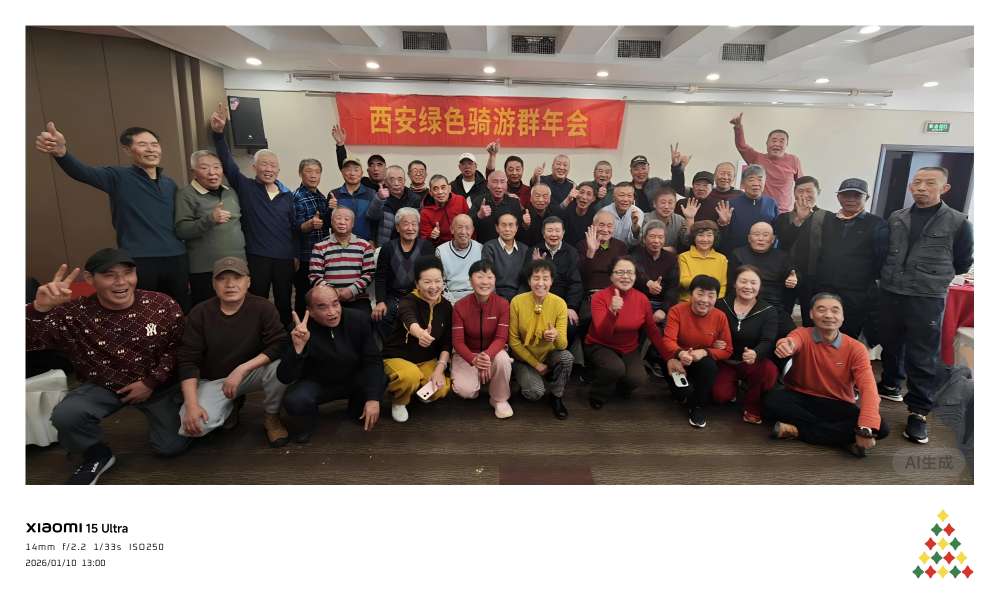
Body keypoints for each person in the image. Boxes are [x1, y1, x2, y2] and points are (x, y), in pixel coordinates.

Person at [27, 249, 188, 484]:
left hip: (158, 386)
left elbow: (179, 348)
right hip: (103, 386)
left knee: (170, 447)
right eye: (109, 275)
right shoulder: (73, 313)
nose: (121, 281)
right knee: (67, 415)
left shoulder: (161, 304)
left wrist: (150, 382)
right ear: (90, 279)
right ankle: (96, 454)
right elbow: (28, 342)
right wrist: (38, 309)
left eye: (127, 273)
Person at [36, 122, 191, 311]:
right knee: (142, 311)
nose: (151, 149)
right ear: (127, 150)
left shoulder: (170, 184)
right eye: (142, 144)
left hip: (176, 257)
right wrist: (62, 153)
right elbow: (82, 172)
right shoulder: (117, 177)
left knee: (179, 308)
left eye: (154, 144)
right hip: (140, 258)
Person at [878, 166, 974, 444]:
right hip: (892, 290)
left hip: (926, 296)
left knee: (922, 354)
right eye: (917, 182)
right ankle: (891, 384)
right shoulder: (897, 217)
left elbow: (962, 262)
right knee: (890, 342)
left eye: (930, 183)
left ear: (945, 188)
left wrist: (930, 276)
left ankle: (918, 412)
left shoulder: (958, 222)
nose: (921, 187)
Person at [177, 257, 290, 447]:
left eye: (237, 278)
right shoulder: (200, 312)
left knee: (283, 366)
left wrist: (242, 369)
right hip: (214, 379)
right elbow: (187, 360)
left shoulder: (263, 307)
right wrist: (191, 404)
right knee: (196, 426)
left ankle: (272, 416)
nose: (230, 284)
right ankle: (231, 405)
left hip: (249, 373)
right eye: (222, 279)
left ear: (248, 282)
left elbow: (279, 344)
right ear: (214, 284)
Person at [766, 293, 887, 457]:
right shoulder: (802, 333)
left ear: (843, 316)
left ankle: (797, 431)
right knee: (772, 400)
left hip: (837, 402)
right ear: (811, 314)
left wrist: (866, 428)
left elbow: (868, 388)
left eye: (835, 310)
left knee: (881, 428)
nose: (828, 315)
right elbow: (791, 341)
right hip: (801, 397)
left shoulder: (856, 349)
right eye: (821, 310)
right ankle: (841, 437)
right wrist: (785, 345)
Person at [210, 102, 297, 327]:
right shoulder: (246, 187)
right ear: (254, 168)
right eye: (264, 165)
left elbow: (293, 228)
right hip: (257, 255)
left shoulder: (287, 196)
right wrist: (218, 134)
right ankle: (257, 335)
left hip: (284, 257)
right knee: (257, 300)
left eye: (273, 165)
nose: (269, 169)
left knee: (284, 301)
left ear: (278, 170)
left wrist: (295, 255)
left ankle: (284, 337)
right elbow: (228, 164)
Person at [278, 285, 384, 441]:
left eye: (335, 304)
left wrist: (373, 399)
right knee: (295, 400)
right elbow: (284, 377)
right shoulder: (299, 330)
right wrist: (298, 349)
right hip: (318, 383)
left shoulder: (359, 319)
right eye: (322, 307)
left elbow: (373, 361)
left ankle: (356, 409)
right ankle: (309, 421)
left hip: (353, 378)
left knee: (380, 378)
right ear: (310, 311)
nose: (332, 312)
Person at [793, 178, 888, 341]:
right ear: (838, 197)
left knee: (846, 339)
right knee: (816, 336)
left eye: (856, 195)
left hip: (855, 294)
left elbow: (881, 260)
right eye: (846, 195)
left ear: (866, 197)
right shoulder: (825, 219)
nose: (850, 199)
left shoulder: (877, 224)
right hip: (823, 289)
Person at [585, 256, 673, 409]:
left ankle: (617, 388)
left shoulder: (642, 299)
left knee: (638, 378)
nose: (625, 276)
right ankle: (597, 394)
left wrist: (669, 358)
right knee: (614, 368)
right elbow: (602, 334)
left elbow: (652, 330)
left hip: (628, 348)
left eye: (630, 272)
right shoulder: (599, 297)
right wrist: (612, 312)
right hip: (600, 345)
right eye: (620, 272)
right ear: (611, 276)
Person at [381, 256, 453, 423]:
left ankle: (417, 391)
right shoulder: (408, 301)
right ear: (417, 284)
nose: (434, 287)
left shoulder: (446, 306)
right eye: (427, 282)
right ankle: (399, 400)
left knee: (441, 387)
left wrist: (439, 369)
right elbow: (409, 320)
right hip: (398, 357)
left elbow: (446, 342)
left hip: (427, 360)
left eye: (438, 281)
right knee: (409, 376)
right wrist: (420, 333)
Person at [174, 150, 246, 307]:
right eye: (205, 168)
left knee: (238, 311)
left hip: (237, 265)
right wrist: (210, 219)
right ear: (193, 171)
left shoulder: (231, 192)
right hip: (205, 269)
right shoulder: (186, 194)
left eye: (216, 167)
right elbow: (181, 230)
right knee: (208, 312)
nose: (212, 172)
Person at [663, 275, 733, 428]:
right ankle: (685, 392)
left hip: (700, 363)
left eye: (711, 295)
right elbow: (668, 340)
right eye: (700, 293)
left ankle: (697, 407)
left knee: (709, 366)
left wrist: (705, 351)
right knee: (682, 394)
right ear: (690, 294)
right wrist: (680, 353)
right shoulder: (677, 311)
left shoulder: (720, 316)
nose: (705, 300)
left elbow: (728, 350)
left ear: (716, 297)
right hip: (676, 360)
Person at [508, 259, 574, 419]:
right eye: (536, 278)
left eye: (545, 278)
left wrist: (555, 336)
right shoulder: (517, 302)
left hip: (549, 355)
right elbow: (513, 341)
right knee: (534, 393)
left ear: (552, 281)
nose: (541, 283)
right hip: (524, 359)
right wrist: (536, 364)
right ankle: (529, 380)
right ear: (529, 281)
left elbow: (563, 345)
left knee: (567, 358)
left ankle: (557, 396)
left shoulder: (559, 303)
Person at [714, 265, 779, 424]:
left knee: (769, 371)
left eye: (753, 282)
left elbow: (768, 340)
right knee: (720, 396)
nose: (748, 286)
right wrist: (713, 342)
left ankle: (752, 405)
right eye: (743, 281)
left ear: (760, 286)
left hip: (752, 362)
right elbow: (708, 330)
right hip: (726, 361)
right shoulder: (720, 304)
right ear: (734, 283)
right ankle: (734, 387)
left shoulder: (768, 311)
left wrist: (756, 353)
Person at [451, 259, 515, 419]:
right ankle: (478, 381)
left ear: (495, 280)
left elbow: (501, 338)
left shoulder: (503, 304)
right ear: (470, 280)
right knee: (466, 392)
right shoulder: (459, 306)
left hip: (493, 352)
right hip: (468, 354)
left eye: (489, 277)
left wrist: (486, 356)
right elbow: (458, 342)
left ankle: (499, 399)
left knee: (503, 359)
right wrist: (474, 360)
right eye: (479, 277)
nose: (485, 282)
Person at [372, 207, 433, 338]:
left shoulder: (426, 247)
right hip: (393, 296)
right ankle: (389, 348)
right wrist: (380, 301)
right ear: (398, 227)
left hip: (418, 295)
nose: (410, 228)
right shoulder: (388, 248)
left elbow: (431, 275)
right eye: (405, 224)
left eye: (414, 224)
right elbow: (381, 277)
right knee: (382, 316)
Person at [728, 222, 796, 336]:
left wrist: (793, 278)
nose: (761, 238)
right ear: (749, 238)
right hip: (744, 303)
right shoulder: (738, 254)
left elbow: (793, 275)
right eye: (756, 234)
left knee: (792, 334)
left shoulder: (782, 256)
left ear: (773, 239)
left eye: (765, 235)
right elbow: (731, 284)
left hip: (773, 305)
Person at [729, 112, 803, 213]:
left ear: (786, 145)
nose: (777, 144)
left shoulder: (794, 160)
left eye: (781, 141)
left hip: (784, 212)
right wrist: (738, 127)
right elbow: (742, 146)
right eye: (774, 140)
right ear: (767, 143)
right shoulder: (757, 158)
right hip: (760, 210)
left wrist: (799, 207)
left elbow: (802, 184)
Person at [308, 207, 375, 312]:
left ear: (353, 224)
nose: (342, 222)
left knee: (364, 319)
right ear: (331, 222)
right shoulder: (319, 247)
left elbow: (369, 274)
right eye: (338, 218)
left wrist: (351, 291)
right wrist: (333, 292)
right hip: (328, 299)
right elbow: (315, 276)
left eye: (346, 219)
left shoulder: (364, 246)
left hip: (357, 299)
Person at [532, 216, 584, 341]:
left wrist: (571, 307)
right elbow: (526, 280)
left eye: (557, 230)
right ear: (543, 233)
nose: (554, 234)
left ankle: (562, 350)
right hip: (539, 301)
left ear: (563, 232)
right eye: (550, 230)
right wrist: (535, 266)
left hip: (563, 303)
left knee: (571, 325)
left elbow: (575, 283)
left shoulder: (571, 252)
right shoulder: (535, 251)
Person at [775, 176, 820, 316]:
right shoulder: (783, 218)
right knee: (782, 316)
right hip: (786, 275)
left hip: (815, 278)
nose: (804, 195)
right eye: (800, 191)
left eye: (809, 191)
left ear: (818, 192)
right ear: (794, 193)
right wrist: (798, 220)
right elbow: (783, 242)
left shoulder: (827, 218)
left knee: (812, 317)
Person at [292, 158, 330, 317]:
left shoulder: (321, 197)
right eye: (309, 171)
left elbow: (327, 224)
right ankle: (300, 325)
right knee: (304, 296)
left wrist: (331, 210)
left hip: (322, 256)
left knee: (320, 294)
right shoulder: (296, 196)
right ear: (300, 174)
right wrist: (310, 224)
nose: (313, 175)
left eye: (317, 172)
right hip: (305, 256)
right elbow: (295, 228)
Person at [716, 164, 779, 254]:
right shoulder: (730, 203)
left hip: (764, 255)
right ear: (742, 183)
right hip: (736, 255)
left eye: (760, 179)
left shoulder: (771, 203)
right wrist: (723, 223)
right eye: (751, 180)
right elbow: (722, 235)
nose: (756, 184)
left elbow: (776, 231)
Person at [634, 220, 680, 323]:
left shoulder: (671, 258)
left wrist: (664, 310)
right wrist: (648, 283)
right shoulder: (636, 254)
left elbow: (673, 288)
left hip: (662, 304)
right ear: (644, 239)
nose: (656, 241)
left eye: (660, 237)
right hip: (639, 303)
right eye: (652, 236)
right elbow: (636, 270)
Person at [367, 164, 423, 247]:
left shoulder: (415, 199)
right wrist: (379, 199)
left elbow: (419, 224)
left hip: (409, 245)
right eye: (392, 180)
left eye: (400, 180)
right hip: (385, 244)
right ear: (385, 182)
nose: (396, 184)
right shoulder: (380, 196)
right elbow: (372, 216)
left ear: (404, 181)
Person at [481, 211, 530, 301]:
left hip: (519, 298)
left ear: (516, 228)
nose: (507, 229)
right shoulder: (489, 247)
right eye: (503, 225)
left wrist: (518, 300)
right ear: (497, 228)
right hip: (495, 296)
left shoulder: (524, 249)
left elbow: (525, 280)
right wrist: (497, 300)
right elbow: (487, 276)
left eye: (511, 225)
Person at [329, 156, 379, 242]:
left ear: (362, 173)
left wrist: (373, 240)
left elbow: (376, 220)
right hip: (339, 244)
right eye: (348, 170)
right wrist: (330, 210)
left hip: (365, 243)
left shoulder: (371, 193)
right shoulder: (334, 194)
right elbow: (328, 223)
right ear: (342, 172)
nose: (352, 173)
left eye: (356, 170)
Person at [436, 214, 483, 304]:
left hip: (476, 297)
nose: (463, 232)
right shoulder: (441, 251)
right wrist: (453, 303)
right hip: (451, 299)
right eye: (459, 227)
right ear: (452, 229)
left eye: (467, 228)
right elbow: (440, 281)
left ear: (472, 230)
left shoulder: (480, 248)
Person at [626, 146, 688, 212]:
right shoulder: (626, 188)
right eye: (636, 169)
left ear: (648, 169)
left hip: (656, 218)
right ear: (631, 171)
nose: (641, 172)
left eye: (643, 168)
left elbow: (677, 188)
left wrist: (676, 168)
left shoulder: (656, 183)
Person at [678, 220, 728, 301]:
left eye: (709, 235)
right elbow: (683, 281)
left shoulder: (722, 258)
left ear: (714, 238)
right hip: (688, 301)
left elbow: (723, 286)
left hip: (714, 303)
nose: (705, 239)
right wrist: (709, 285)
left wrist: (714, 300)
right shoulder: (683, 257)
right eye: (700, 235)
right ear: (694, 238)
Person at [470, 169, 523, 242]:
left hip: (507, 246)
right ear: (488, 185)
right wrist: (479, 215)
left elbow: (519, 229)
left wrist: (525, 224)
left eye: (502, 182)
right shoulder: (479, 200)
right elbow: (468, 224)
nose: (499, 186)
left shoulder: (514, 202)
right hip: (484, 245)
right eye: (495, 182)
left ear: (506, 185)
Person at [420, 174, 468, 246]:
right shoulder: (425, 212)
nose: (440, 192)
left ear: (449, 189)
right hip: (440, 247)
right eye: (435, 189)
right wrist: (433, 236)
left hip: (464, 244)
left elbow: (469, 225)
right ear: (430, 193)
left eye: (443, 188)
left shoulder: (460, 200)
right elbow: (424, 240)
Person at [644, 184, 689, 252]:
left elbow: (687, 242)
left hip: (671, 256)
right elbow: (641, 244)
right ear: (654, 204)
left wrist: (690, 218)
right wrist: (664, 250)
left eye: (670, 203)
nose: (666, 207)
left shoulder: (679, 220)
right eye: (663, 202)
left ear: (675, 204)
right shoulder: (645, 218)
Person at [556, 181, 598, 247]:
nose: (584, 197)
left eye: (589, 194)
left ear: (593, 199)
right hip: (563, 247)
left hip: (583, 248)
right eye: (581, 192)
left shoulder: (594, 215)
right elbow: (553, 217)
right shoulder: (567, 208)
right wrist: (568, 199)